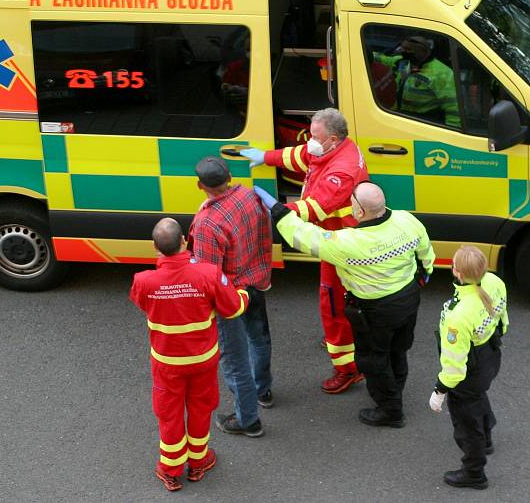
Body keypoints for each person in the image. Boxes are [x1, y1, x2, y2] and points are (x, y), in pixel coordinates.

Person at [252, 182, 435, 428]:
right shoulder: (406, 220)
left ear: (359, 211)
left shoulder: (349, 242)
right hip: (408, 298)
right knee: (397, 349)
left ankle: (391, 410)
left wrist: (277, 210)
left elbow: (305, 237)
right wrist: (424, 274)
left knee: (373, 359)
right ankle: (395, 389)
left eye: (352, 201)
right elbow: (425, 252)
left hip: (376, 309)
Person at [240, 108, 369, 395]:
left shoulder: (342, 170)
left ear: (333, 139)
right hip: (339, 237)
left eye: (314, 136)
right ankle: (349, 342)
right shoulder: (333, 148)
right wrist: (265, 157)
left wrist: (276, 210)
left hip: (340, 242)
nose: (310, 141)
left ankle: (348, 369)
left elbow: (315, 207)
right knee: (345, 300)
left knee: (333, 303)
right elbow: (301, 156)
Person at [129, 218, 250, 492]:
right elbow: (233, 309)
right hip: (202, 360)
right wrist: (244, 294)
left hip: (167, 363)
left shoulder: (144, 281)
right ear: (185, 241)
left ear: (155, 248)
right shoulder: (208, 274)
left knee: (169, 414)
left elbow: (142, 304)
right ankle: (200, 461)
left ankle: (170, 469)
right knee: (200, 407)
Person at [188, 156, 274, 439]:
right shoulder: (249, 196)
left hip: (231, 296)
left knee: (235, 361)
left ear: (201, 185)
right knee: (259, 339)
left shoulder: (207, 224)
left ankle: (248, 420)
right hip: (256, 282)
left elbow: (208, 274)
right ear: (228, 176)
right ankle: (263, 391)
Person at [429, 245, 508, 490]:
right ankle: (486, 439)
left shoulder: (459, 316)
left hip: (468, 370)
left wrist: (439, 390)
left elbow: (454, 364)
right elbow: (502, 318)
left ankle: (474, 472)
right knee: (478, 398)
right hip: (490, 355)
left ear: (458, 273)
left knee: (466, 423)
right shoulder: (494, 281)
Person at [373, 35, 460, 128]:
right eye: (403, 49)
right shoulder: (406, 62)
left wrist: (450, 134)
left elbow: (453, 109)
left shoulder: (443, 74)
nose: (404, 53)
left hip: (424, 123)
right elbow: (383, 59)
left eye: (409, 50)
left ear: (422, 52)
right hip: (399, 117)